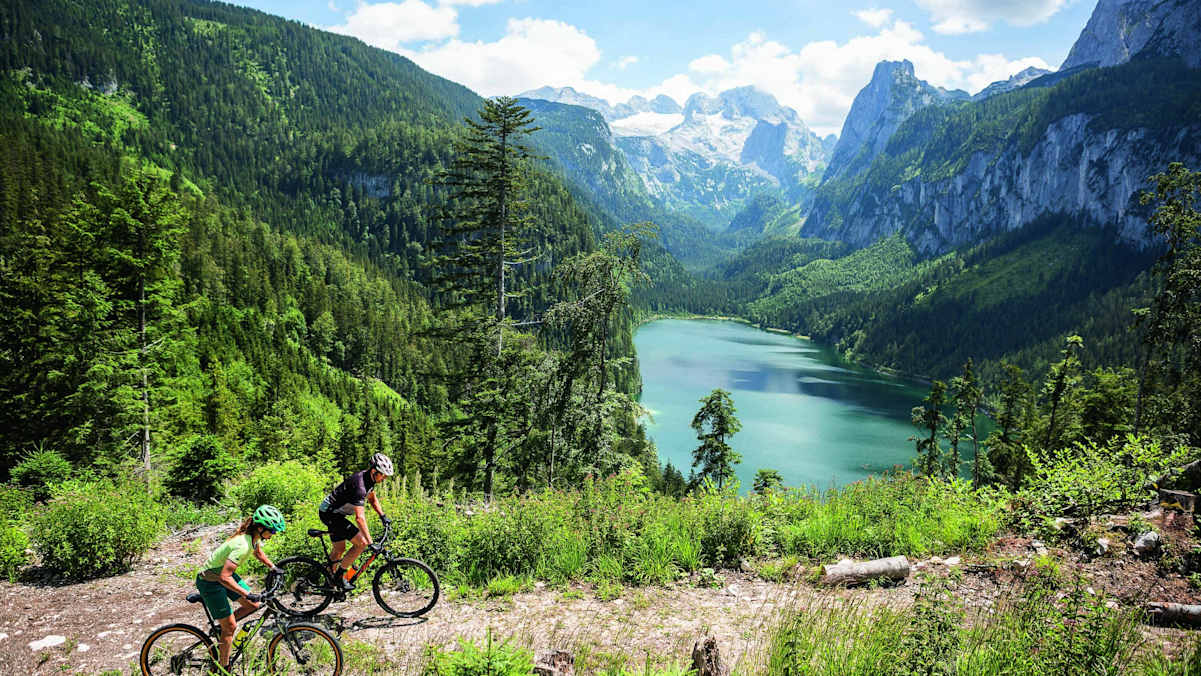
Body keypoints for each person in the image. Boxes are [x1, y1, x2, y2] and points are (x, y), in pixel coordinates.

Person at [196, 504, 286, 671]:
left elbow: (258, 553)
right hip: (210, 580)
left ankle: (222, 630)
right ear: (260, 527)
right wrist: (247, 593)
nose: (273, 535)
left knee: (253, 605)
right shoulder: (242, 545)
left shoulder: (253, 538)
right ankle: (224, 668)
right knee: (231, 626)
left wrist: (273, 567)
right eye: (272, 531)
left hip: (222, 575)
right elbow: (224, 577)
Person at [319, 453, 393, 590]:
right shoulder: (360, 486)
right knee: (361, 544)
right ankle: (339, 577)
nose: (384, 478)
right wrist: (371, 543)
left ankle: (329, 584)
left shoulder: (369, 479)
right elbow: (359, 518)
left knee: (339, 549)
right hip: (330, 514)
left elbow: (372, 499)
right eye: (383, 475)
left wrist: (382, 515)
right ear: (374, 471)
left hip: (335, 513)